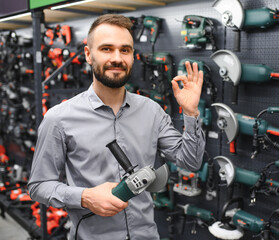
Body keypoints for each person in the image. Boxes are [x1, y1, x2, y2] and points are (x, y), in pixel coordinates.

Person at [28, 14, 205, 240]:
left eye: (125, 50)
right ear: (88, 55)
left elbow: (190, 161)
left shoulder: (152, 111)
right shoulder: (59, 119)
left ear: (132, 56)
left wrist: (191, 113)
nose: (117, 58)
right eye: (106, 49)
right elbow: (38, 186)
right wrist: (84, 197)